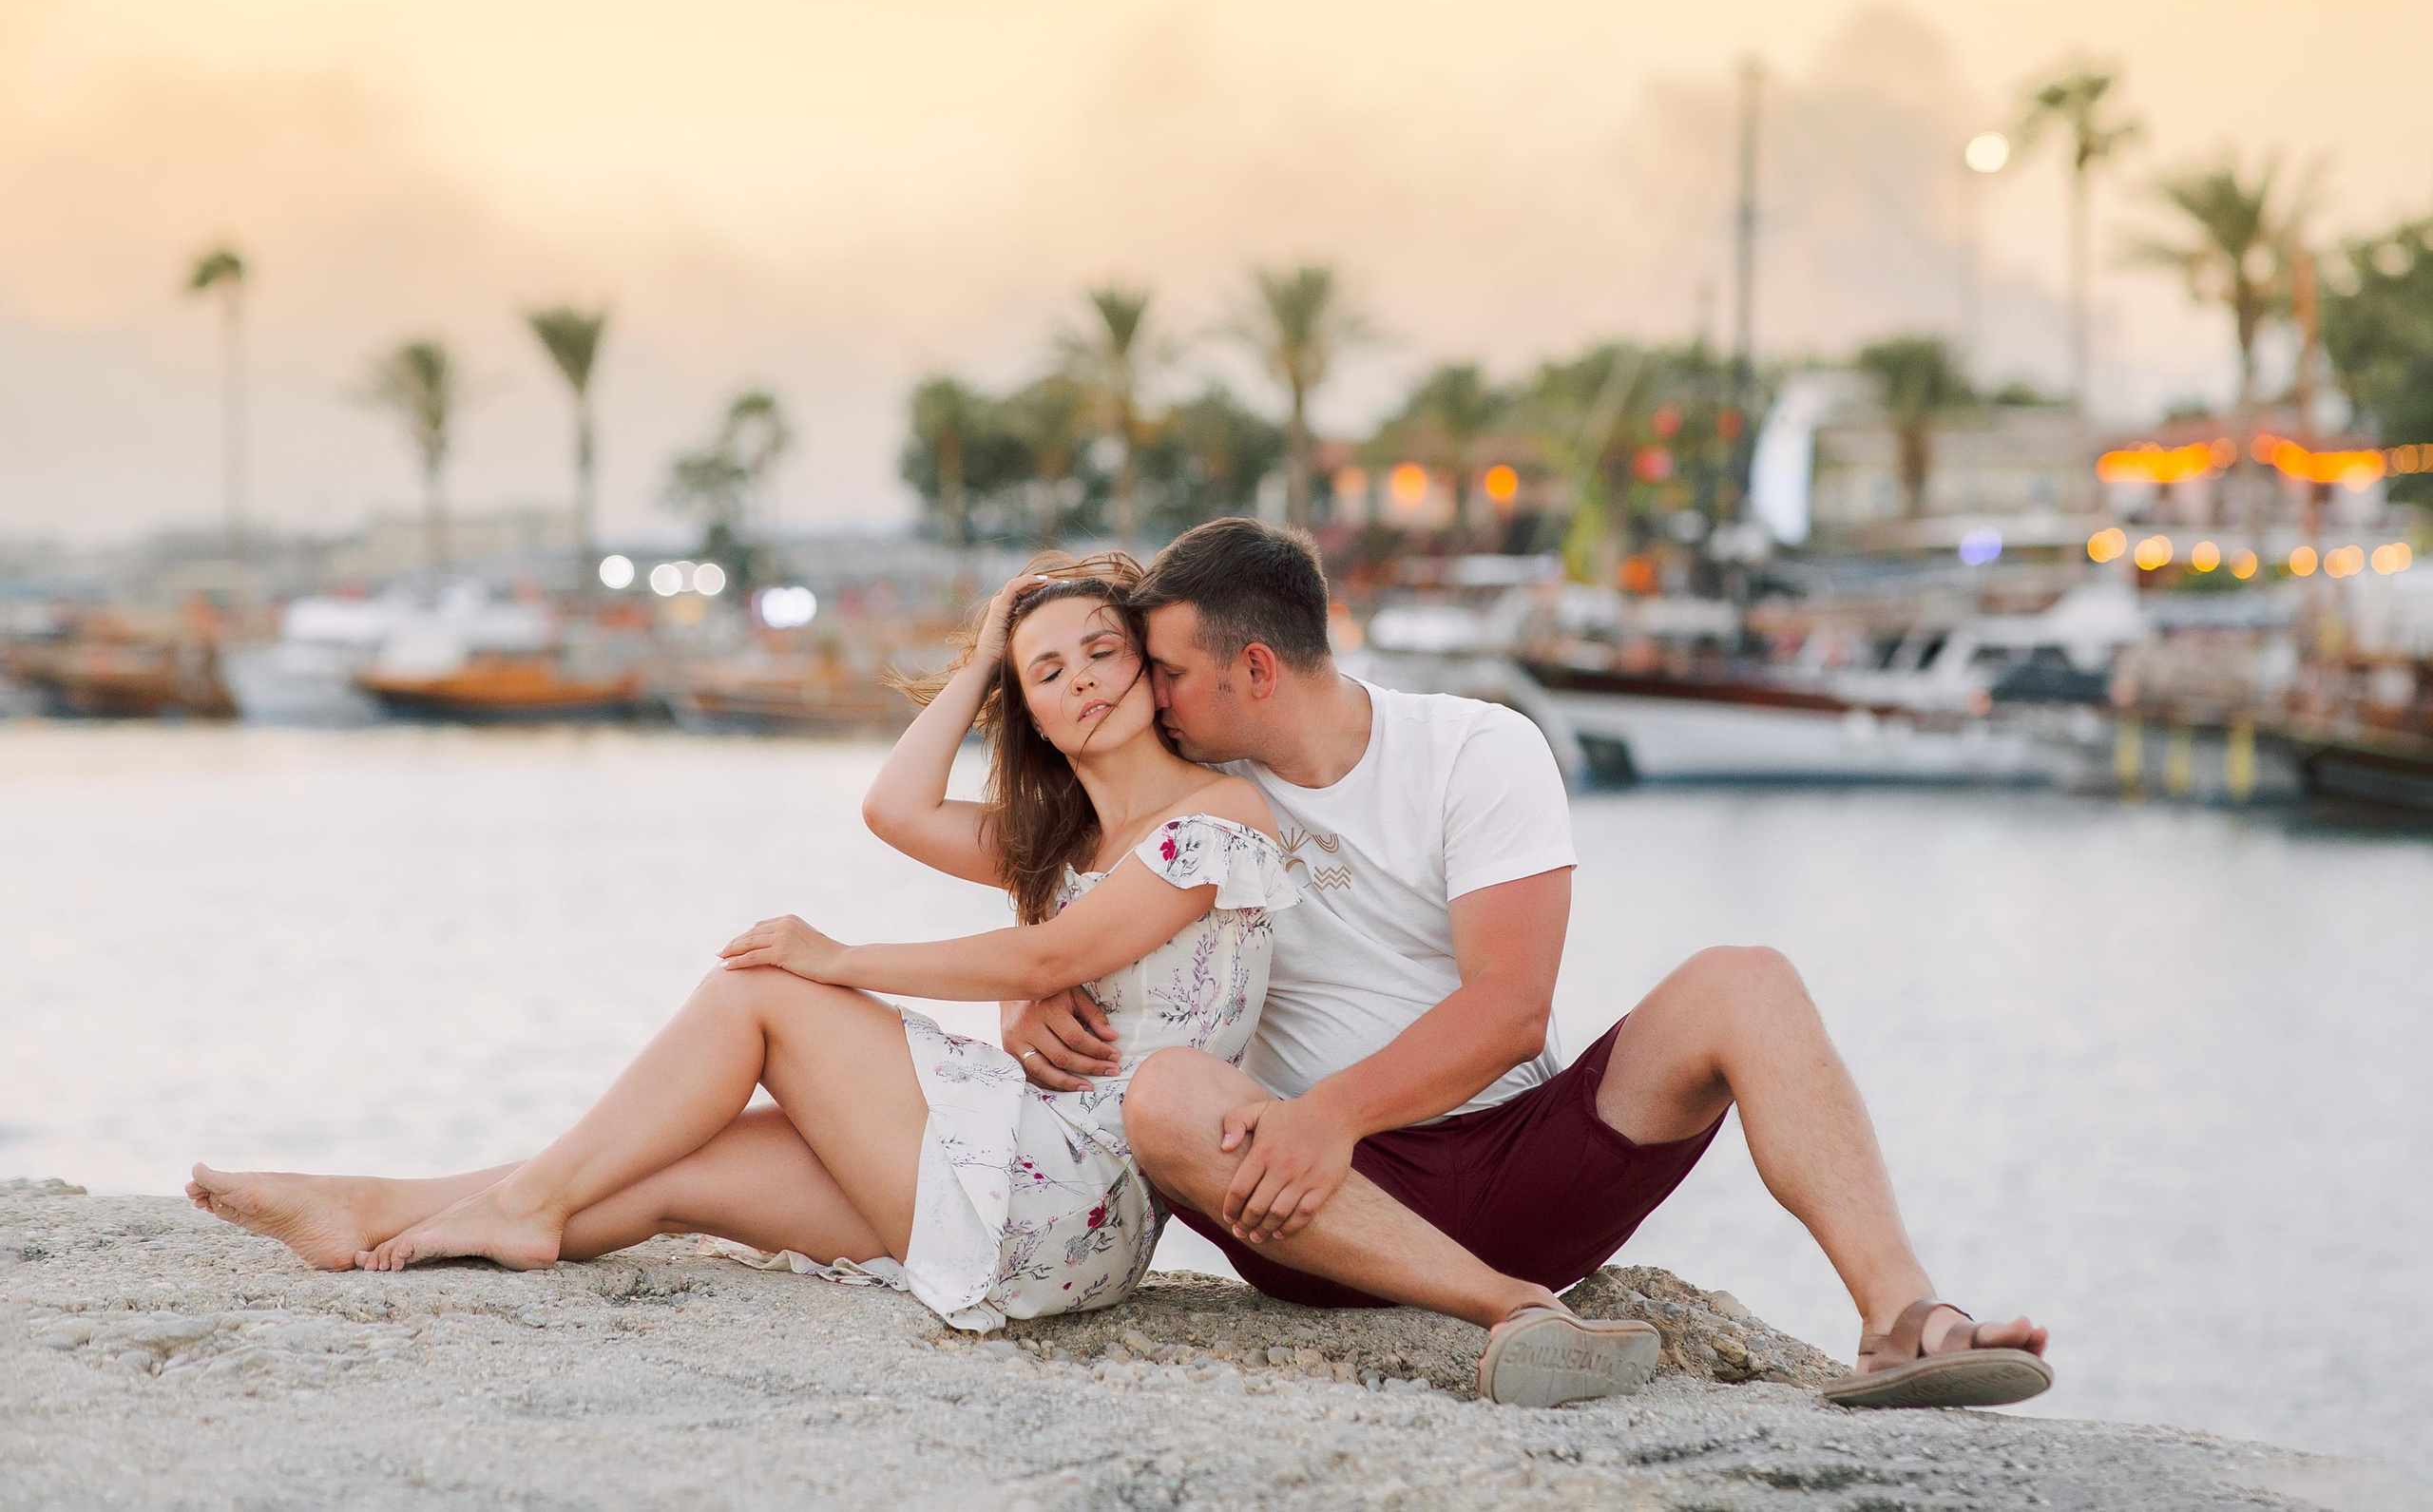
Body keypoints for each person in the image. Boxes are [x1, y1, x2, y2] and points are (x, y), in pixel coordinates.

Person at [185, 556, 1657, 1396]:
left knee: (761, 997)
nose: (1081, 680)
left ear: (1153, 674)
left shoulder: (1220, 819)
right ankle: (381, 1208)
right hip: (1018, 1167)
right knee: (689, 1166)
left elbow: (1058, 953)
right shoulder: (1070, 833)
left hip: (1068, 1191)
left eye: (1101, 653)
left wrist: (840, 958)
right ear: (1032, 711)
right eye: (1047, 673)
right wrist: (978, 658)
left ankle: (508, 1203)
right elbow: (892, 805)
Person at [1002, 519, 2054, 1408]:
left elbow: (1510, 1008)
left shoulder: (1475, 749)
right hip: (1316, 1207)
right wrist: (1030, 984)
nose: (1151, 697)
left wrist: (1334, 1114)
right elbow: (1059, 867)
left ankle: (1901, 1318)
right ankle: (1513, 1313)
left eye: (1171, 674)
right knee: (1165, 1095)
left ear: (1256, 671)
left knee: (1748, 979)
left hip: (1513, 1167)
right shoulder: (1188, 792)